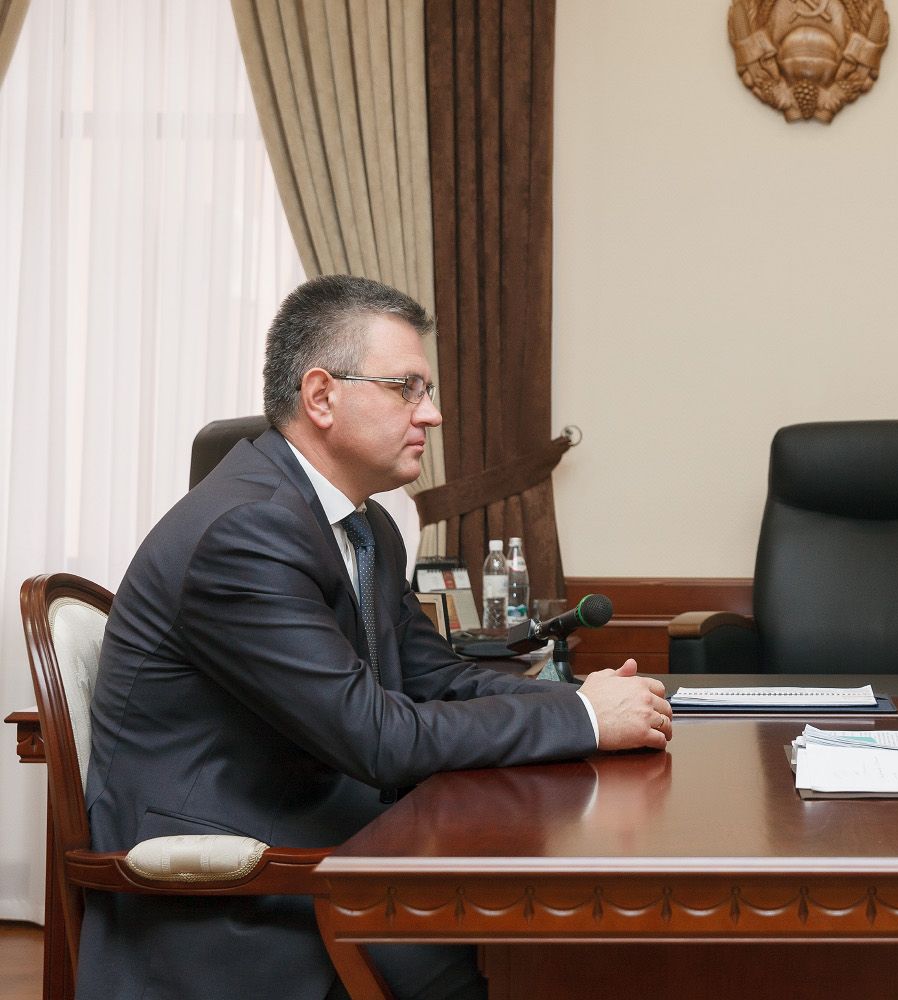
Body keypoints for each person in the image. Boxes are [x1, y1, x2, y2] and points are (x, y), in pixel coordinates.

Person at [80, 275, 675, 1000]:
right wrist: (584, 718)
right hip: (234, 884)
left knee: (548, 929)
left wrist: (582, 698)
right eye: (406, 388)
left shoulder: (364, 525)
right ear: (322, 396)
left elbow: (437, 678)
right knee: (533, 949)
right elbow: (378, 738)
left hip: (328, 831)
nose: (433, 413)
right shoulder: (247, 532)